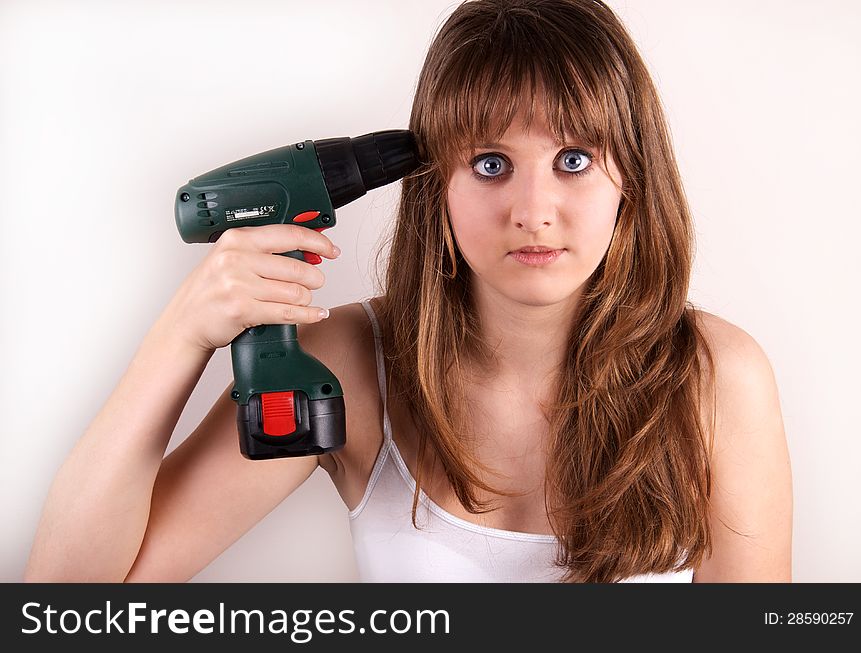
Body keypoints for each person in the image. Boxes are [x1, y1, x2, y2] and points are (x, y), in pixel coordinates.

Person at [24, 0, 792, 583]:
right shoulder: (351, 368)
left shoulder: (716, 380)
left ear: (633, 174)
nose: (533, 209)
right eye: (490, 162)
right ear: (436, 185)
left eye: (575, 159)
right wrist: (182, 337)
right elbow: (67, 597)